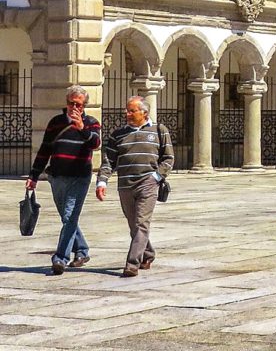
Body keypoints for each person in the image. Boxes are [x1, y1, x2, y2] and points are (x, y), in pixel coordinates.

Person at [27, 85, 102, 275]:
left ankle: (60, 258)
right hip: (57, 176)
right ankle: (82, 250)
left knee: (69, 217)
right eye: (71, 103)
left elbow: (95, 143)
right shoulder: (56, 122)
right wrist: (34, 176)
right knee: (67, 218)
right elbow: (45, 150)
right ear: (66, 103)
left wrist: (82, 128)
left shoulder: (91, 123)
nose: (74, 107)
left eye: (78, 104)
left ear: (84, 106)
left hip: (79, 177)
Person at [96, 96, 173, 277]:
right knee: (134, 224)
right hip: (125, 185)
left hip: (147, 184)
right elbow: (109, 161)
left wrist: (156, 177)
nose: (127, 113)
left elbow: (168, 158)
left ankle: (132, 264)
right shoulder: (118, 134)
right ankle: (148, 253)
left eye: (132, 111)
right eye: (127, 110)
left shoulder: (159, 131)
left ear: (144, 113)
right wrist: (102, 181)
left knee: (141, 223)